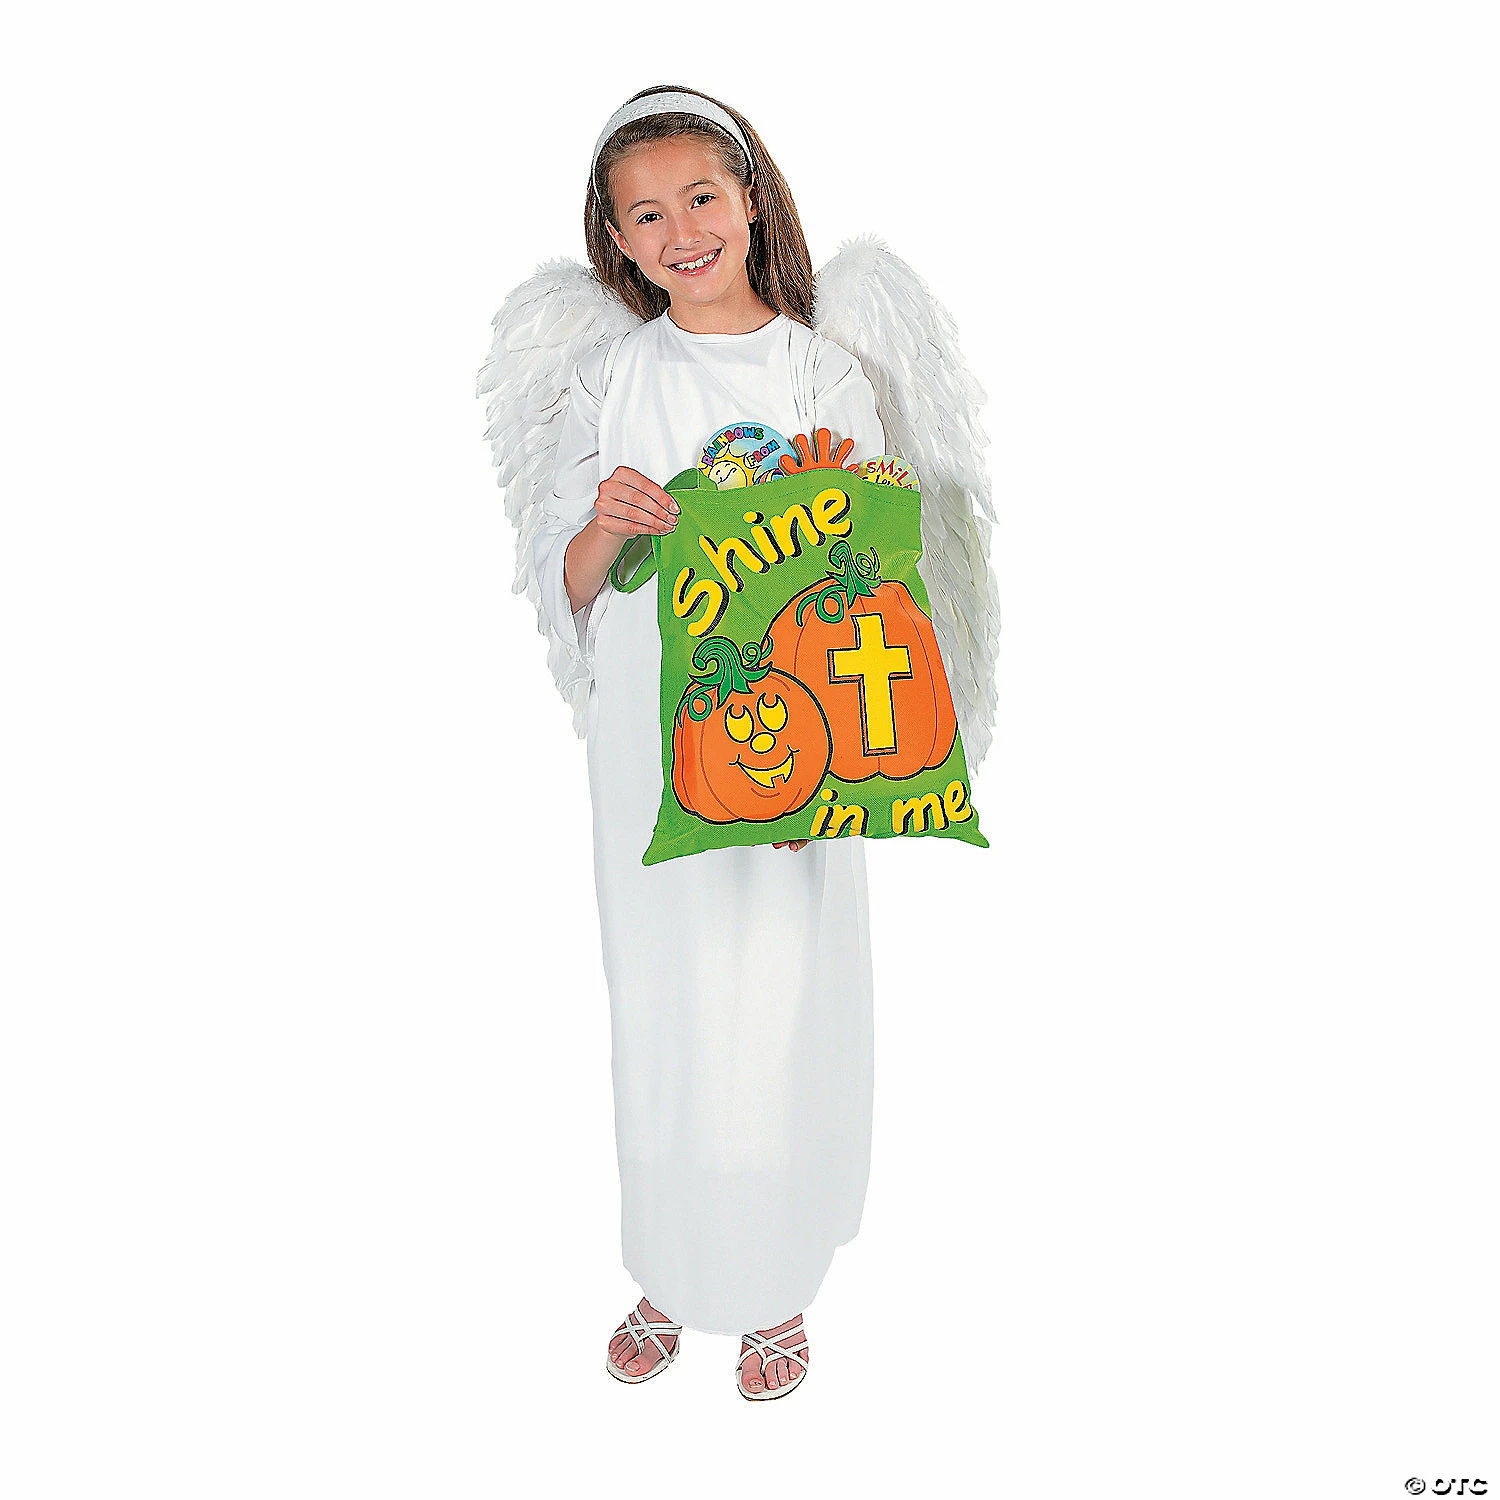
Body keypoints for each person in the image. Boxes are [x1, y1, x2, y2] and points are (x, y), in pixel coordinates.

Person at [524, 85, 886, 1400]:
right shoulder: (608, 379)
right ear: (615, 240)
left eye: (701, 199)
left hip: (792, 737)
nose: (681, 232)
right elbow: (565, 586)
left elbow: (869, 574)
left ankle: (775, 1279)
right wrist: (606, 526)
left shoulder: (818, 373)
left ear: (751, 203)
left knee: (778, 1001)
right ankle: (674, 1266)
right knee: (666, 1005)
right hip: (647, 738)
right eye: (645, 215)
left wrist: (845, 509)